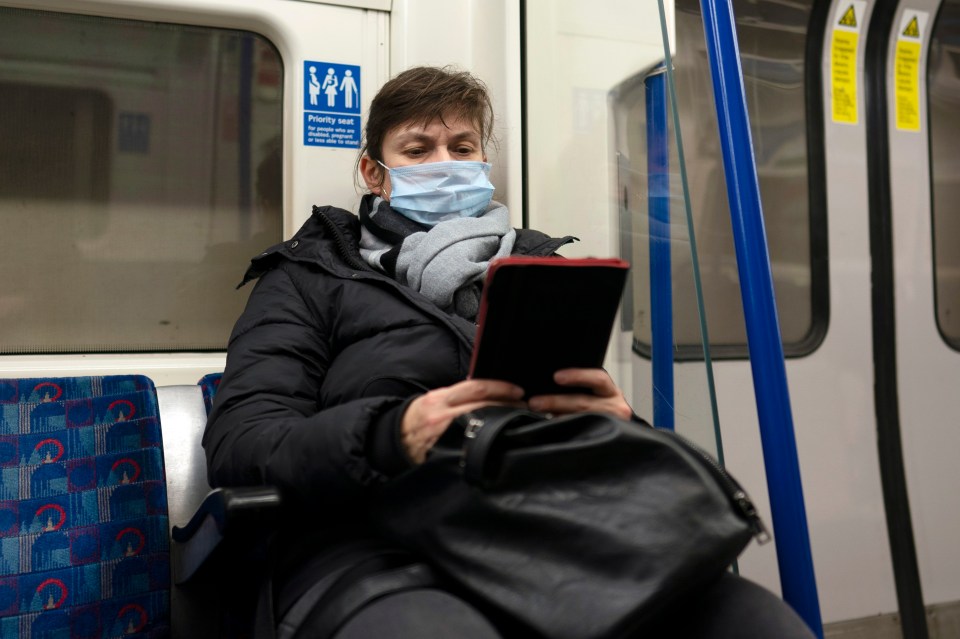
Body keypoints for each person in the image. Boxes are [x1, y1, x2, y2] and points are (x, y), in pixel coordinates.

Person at [203, 66, 815, 639]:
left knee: (752, 619)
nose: (445, 164)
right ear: (374, 172)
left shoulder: (536, 267)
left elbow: (574, 405)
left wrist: (616, 422)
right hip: (370, 539)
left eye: (463, 148)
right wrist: (390, 434)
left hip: (540, 525)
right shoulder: (309, 275)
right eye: (418, 150)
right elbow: (243, 442)